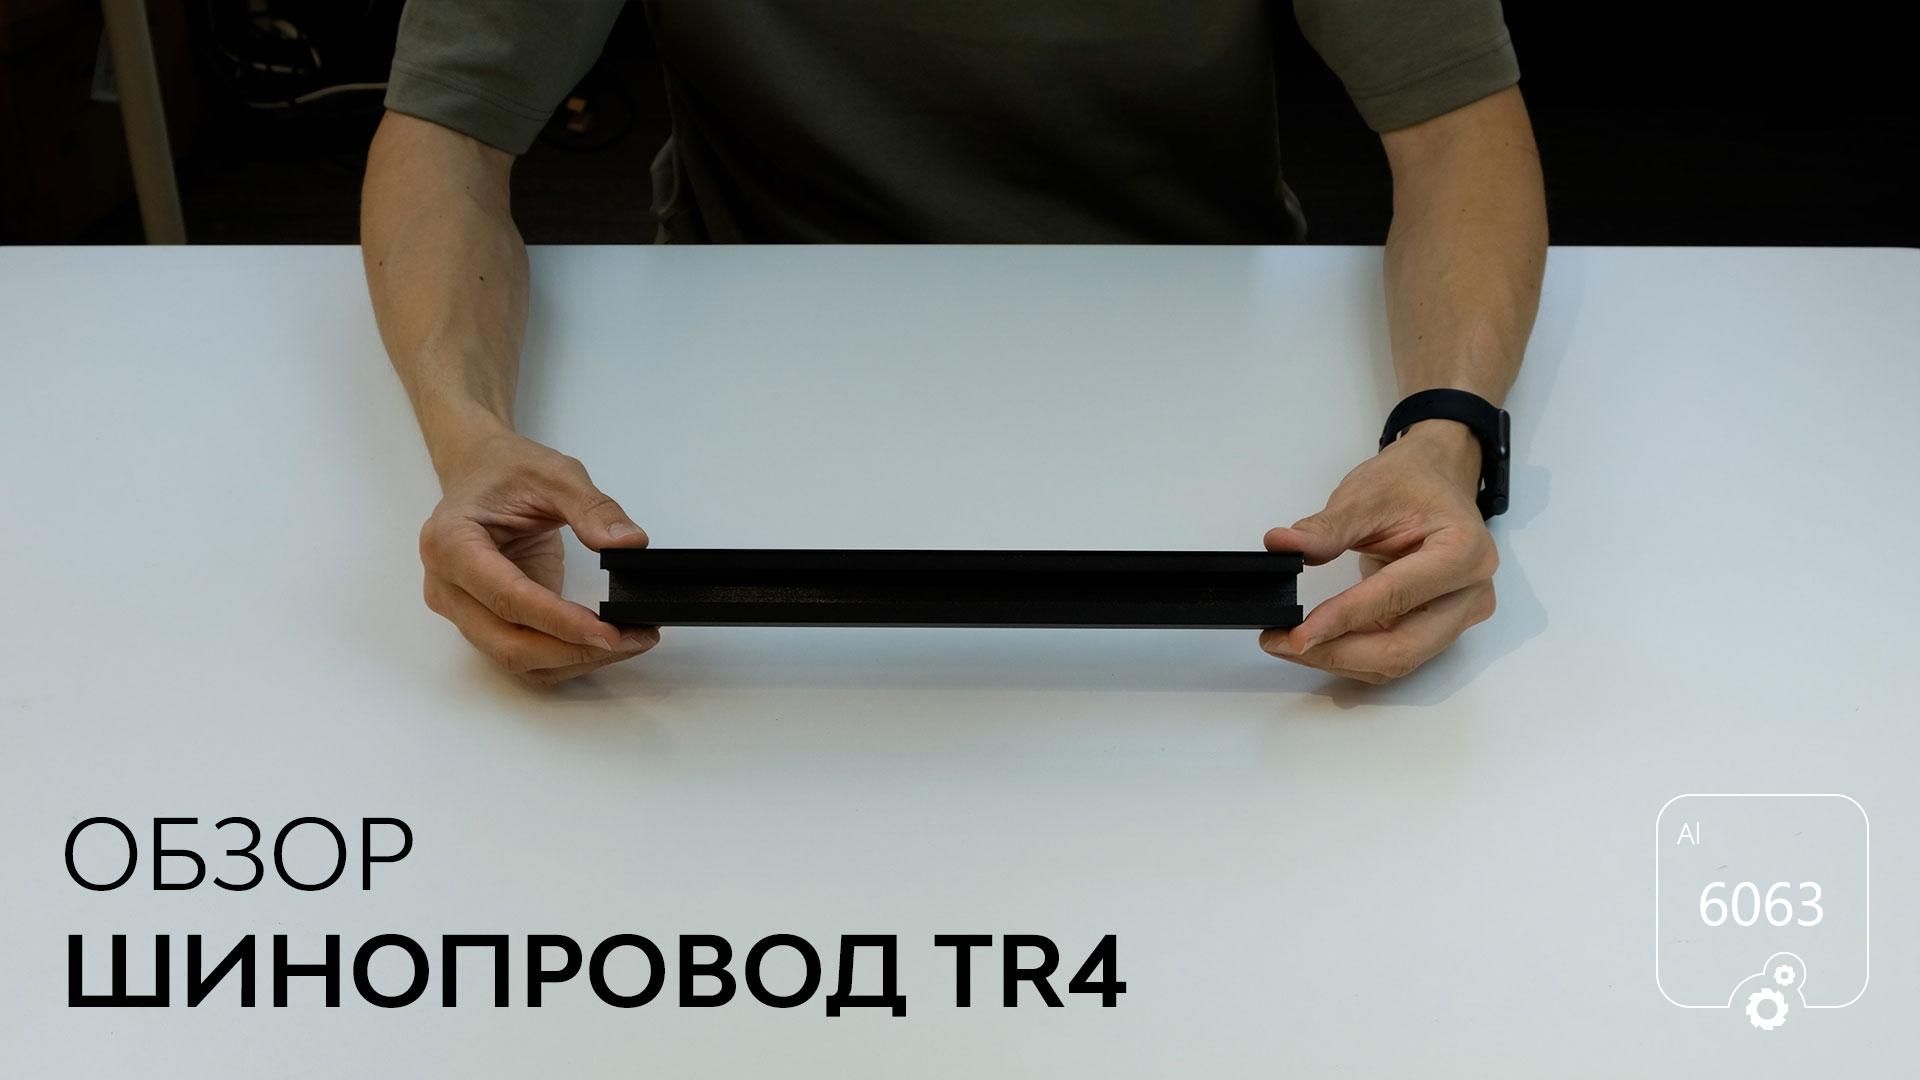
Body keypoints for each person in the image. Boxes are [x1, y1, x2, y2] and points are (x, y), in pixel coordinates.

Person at [361, 1, 1546, 686]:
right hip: (748, 348)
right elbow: (449, 131)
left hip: (1196, 342)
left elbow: (1453, 127)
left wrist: (1443, 435)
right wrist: (468, 435)